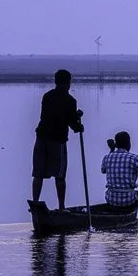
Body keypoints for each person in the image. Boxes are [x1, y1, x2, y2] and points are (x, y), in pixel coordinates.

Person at [32, 69, 84, 210]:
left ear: (55, 82)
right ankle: (61, 207)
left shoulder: (47, 96)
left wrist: (75, 117)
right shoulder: (70, 100)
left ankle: (35, 202)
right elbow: (73, 124)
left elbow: (58, 116)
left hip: (41, 138)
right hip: (57, 141)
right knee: (60, 176)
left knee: (38, 173)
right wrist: (79, 123)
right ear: (68, 83)